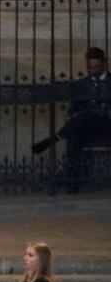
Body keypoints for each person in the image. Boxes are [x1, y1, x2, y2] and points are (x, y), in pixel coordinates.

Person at [34, 45, 110, 191]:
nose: (94, 70)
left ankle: (55, 139)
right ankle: (72, 182)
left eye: (97, 67)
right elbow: (73, 109)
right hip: (86, 128)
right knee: (75, 135)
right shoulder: (81, 84)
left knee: (82, 121)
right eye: (91, 68)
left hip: (106, 124)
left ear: (104, 63)